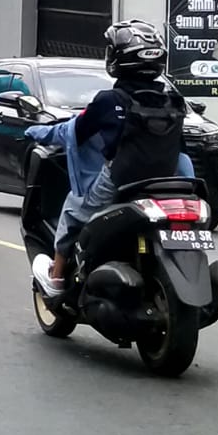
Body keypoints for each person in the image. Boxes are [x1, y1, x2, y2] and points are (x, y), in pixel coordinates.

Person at [32, 19, 189, 297]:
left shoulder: (109, 100)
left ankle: (56, 277)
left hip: (119, 183)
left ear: (118, 57)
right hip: (167, 185)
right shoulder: (174, 101)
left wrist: (40, 133)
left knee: (72, 211)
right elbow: (179, 146)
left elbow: (77, 131)